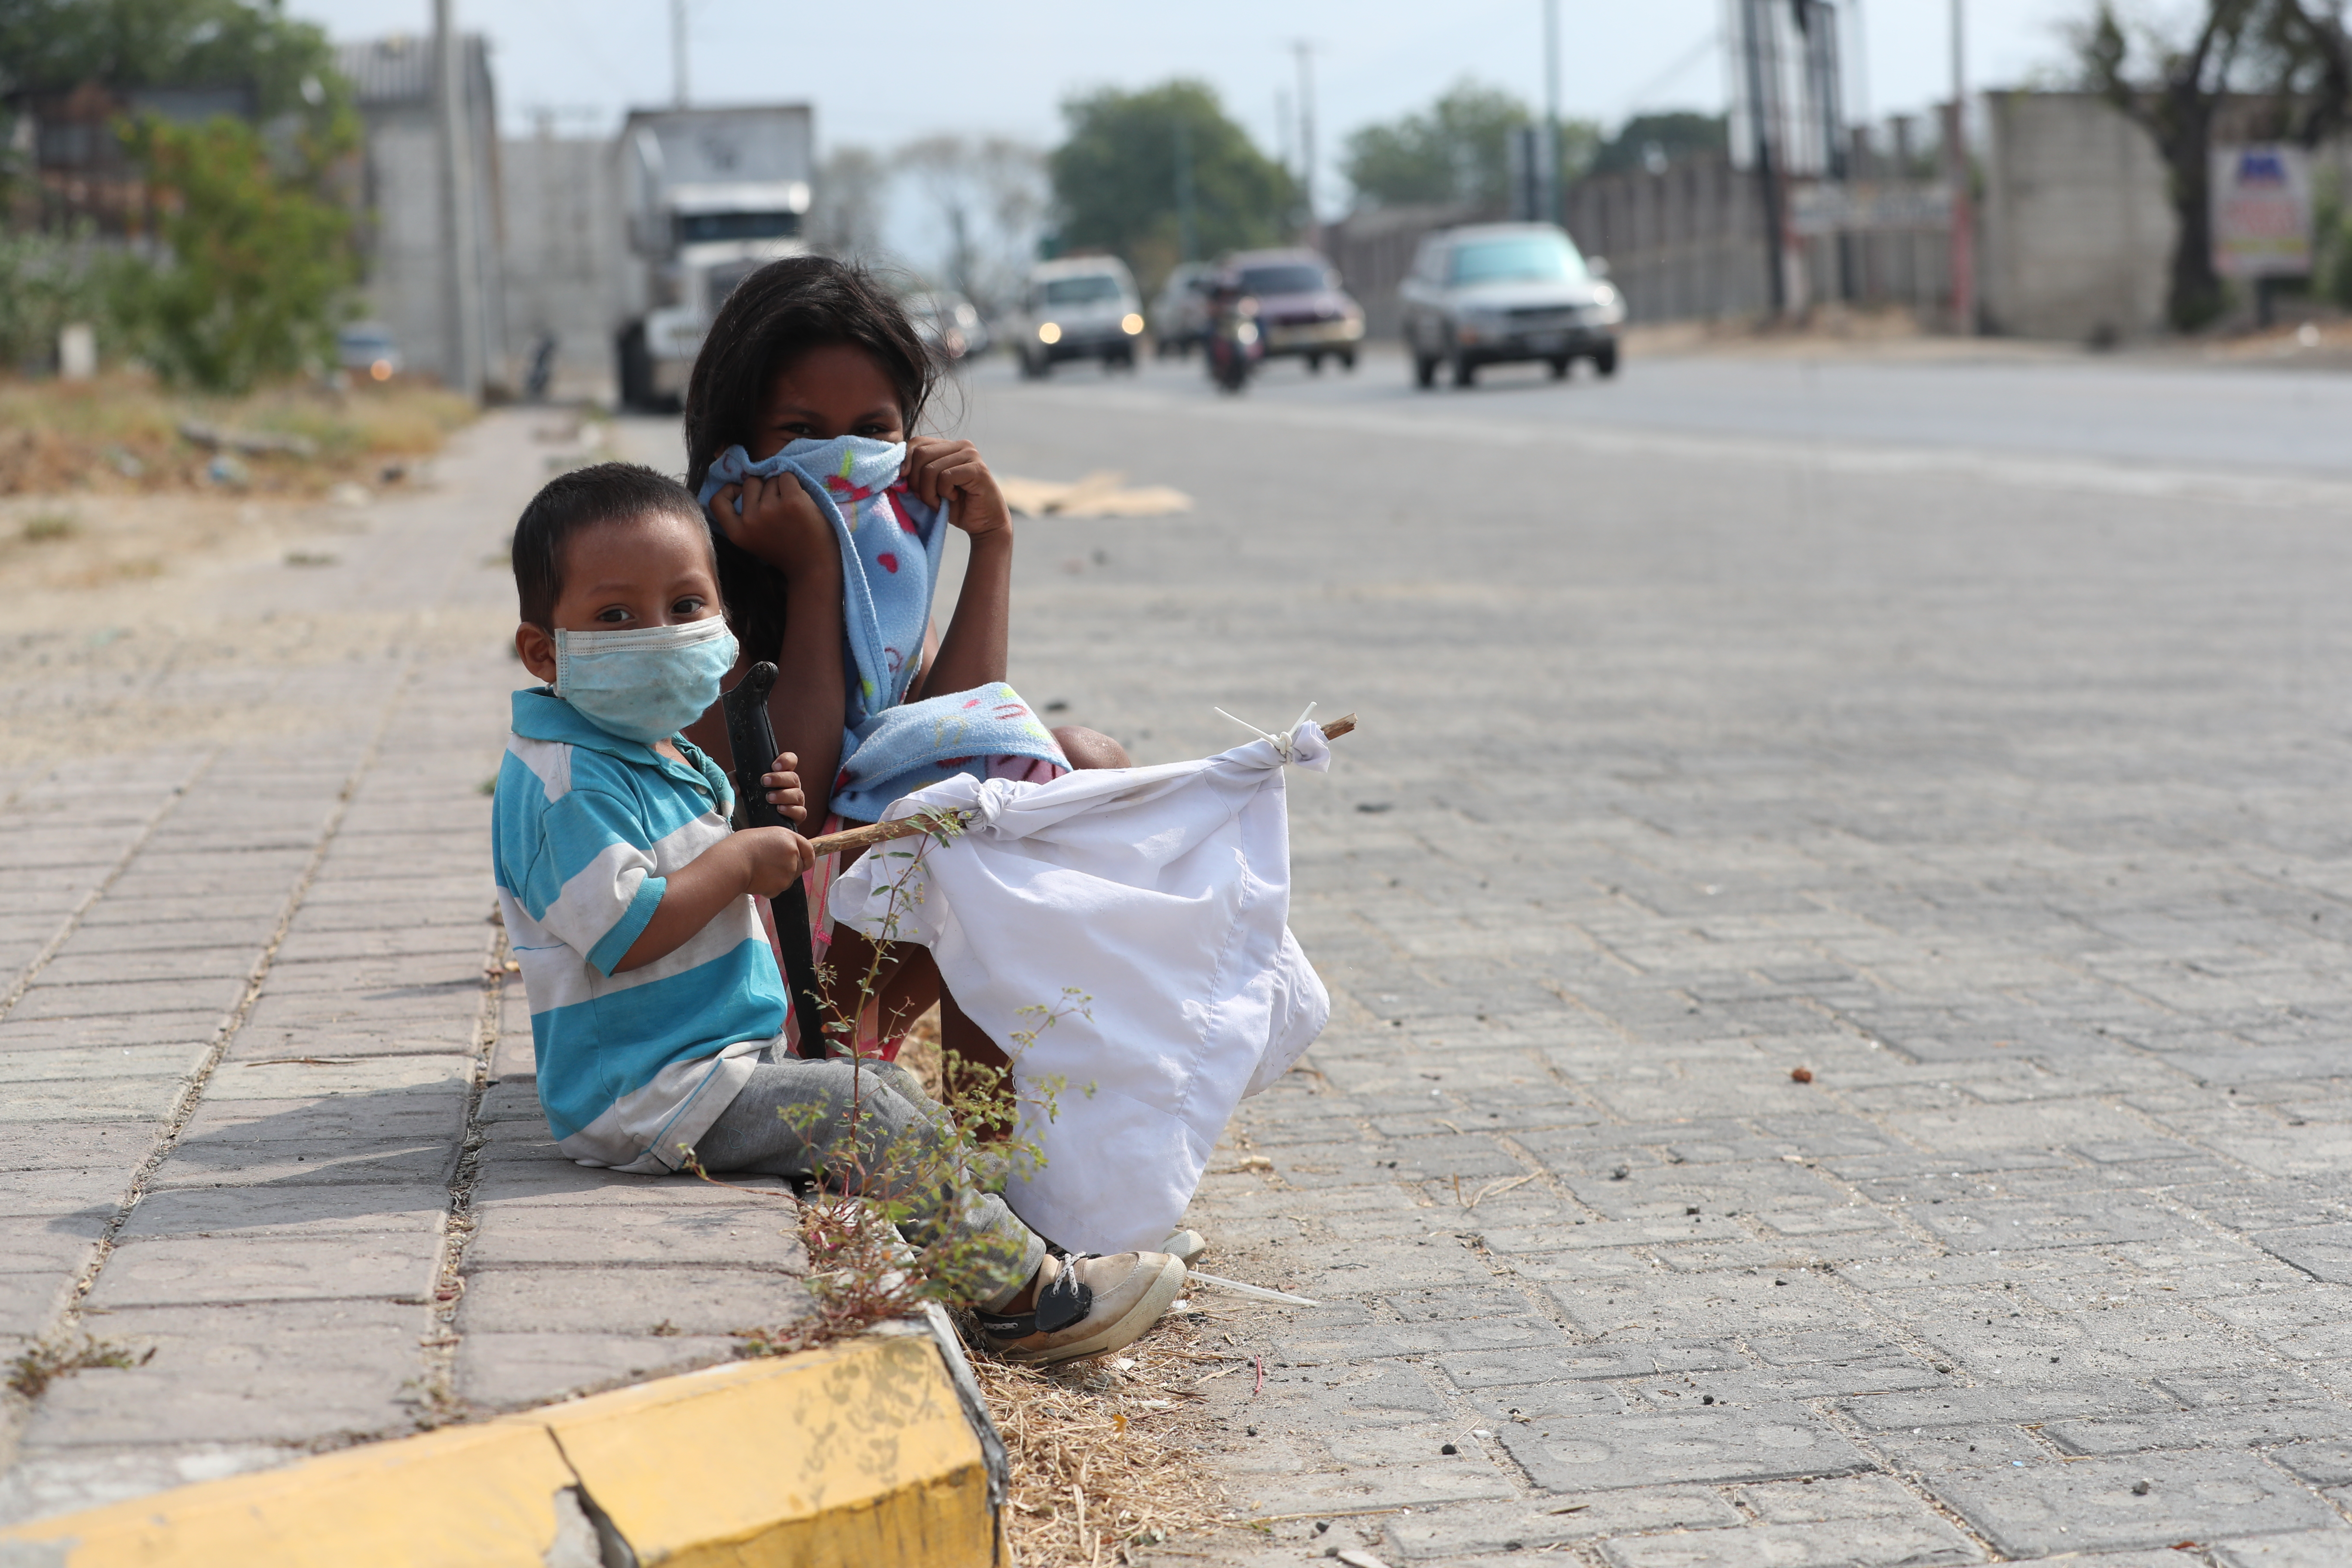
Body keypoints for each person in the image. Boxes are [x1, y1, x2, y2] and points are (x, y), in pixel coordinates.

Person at [490, 461, 1186, 1363]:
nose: (660, 635)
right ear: (545, 651)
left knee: (890, 1094)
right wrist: (740, 859)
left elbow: (692, 861)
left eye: (687, 606)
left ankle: (991, 1256)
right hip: (644, 1093)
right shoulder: (563, 780)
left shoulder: (646, 752)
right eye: (617, 616)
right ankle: (1032, 1301)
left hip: (710, 1066)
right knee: (872, 1114)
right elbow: (625, 932)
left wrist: (757, 819)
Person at [678, 257, 1125, 1082]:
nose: (841, 459)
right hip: (750, 994)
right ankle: (921, 1124)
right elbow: (790, 810)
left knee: (1081, 770)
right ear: (734, 443)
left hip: (854, 954)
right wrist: (814, 577)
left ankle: (999, 1155)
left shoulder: (884, 584)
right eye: (803, 435)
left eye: (873, 433)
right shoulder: (685, 592)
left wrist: (991, 543)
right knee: (984, 821)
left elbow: (956, 740)